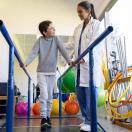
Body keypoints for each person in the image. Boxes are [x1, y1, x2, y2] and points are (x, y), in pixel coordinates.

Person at [25, 20, 71, 130]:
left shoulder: (56, 39)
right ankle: (43, 118)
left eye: (53, 27)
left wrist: (69, 60)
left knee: (50, 97)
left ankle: (48, 117)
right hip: (41, 72)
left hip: (52, 72)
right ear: (45, 32)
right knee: (44, 95)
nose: (54, 29)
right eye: (51, 28)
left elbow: (63, 50)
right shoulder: (40, 40)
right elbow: (33, 53)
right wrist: (26, 63)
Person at [69, 1, 102, 131]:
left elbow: (95, 43)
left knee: (90, 97)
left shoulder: (97, 25)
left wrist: (85, 58)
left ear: (88, 11)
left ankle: (90, 122)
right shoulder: (78, 28)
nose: (79, 14)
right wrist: (57, 43)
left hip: (89, 65)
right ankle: (85, 120)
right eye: (78, 12)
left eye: (80, 12)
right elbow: (73, 44)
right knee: (80, 95)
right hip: (79, 67)